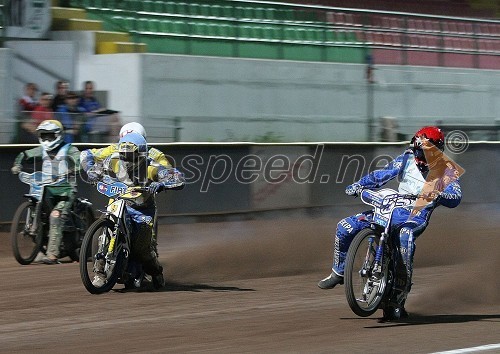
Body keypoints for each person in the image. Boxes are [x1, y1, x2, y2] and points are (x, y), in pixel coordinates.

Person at [317, 126, 462, 321]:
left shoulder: (446, 169)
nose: (420, 155)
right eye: (418, 149)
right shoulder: (406, 157)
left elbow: (456, 197)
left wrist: (439, 193)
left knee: (405, 238)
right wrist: (360, 185)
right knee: (345, 226)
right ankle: (339, 272)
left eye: (425, 151)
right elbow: (382, 175)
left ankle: (397, 300)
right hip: (391, 207)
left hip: (414, 215)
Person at [85, 132, 184, 289]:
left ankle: (156, 272)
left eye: (130, 155)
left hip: (142, 210)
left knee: (142, 249)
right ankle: (99, 273)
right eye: (123, 154)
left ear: (141, 154)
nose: (126, 159)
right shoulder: (114, 160)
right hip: (119, 202)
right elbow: (93, 163)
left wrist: (163, 183)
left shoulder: (151, 167)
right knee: (105, 235)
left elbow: (176, 176)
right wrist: (92, 171)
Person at [11, 120, 81, 264]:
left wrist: (74, 169)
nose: (47, 139)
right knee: (42, 213)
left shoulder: (69, 148)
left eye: (50, 136)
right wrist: (17, 165)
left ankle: (52, 255)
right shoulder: (41, 150)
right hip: (47, 189)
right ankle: (40, 246)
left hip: (66, 191)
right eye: (44, 136)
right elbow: (24, 154)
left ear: (58, 135)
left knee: (56, 216)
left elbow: (80, 160)